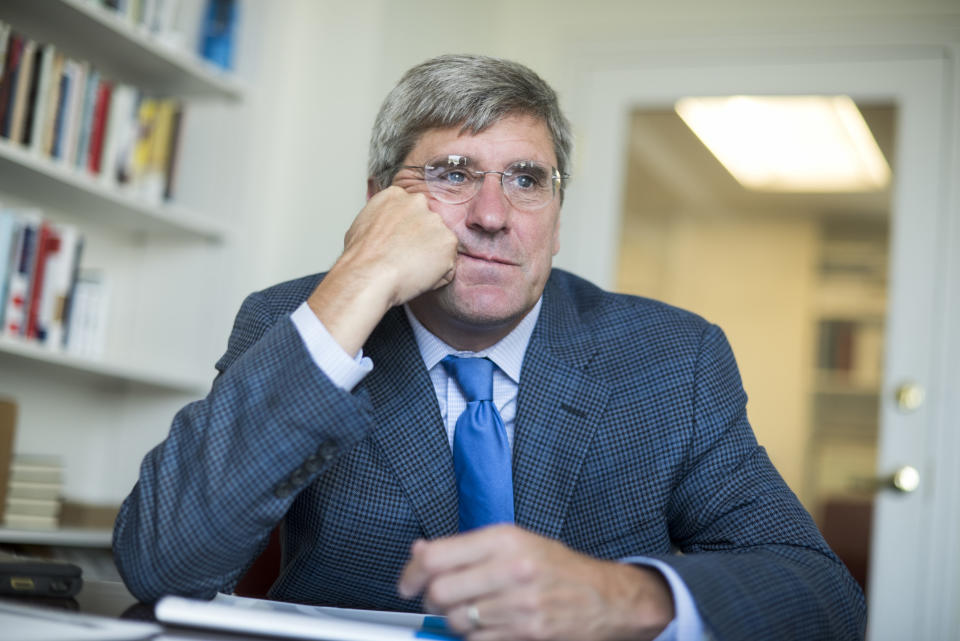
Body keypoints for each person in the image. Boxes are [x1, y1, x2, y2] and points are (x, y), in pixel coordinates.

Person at [113, 54, 866, 640]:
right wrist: (359, 278)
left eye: (527, 179)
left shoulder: (674, 358)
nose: (493, 214)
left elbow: (823, 597)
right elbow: (163, 563)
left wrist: (626, 597)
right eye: (452, 173)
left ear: (556, 211)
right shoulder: (300, 321)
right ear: (381, 200)